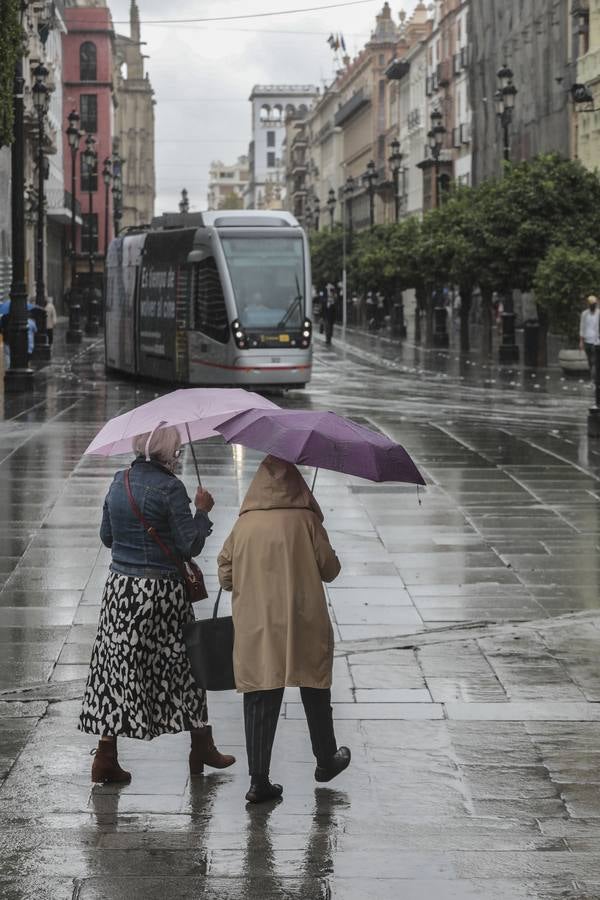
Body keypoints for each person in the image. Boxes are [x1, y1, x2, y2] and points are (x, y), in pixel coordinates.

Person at [79, 424, 236, 783]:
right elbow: (188, 546)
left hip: (120, 591)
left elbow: (107, 536)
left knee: (117, 670)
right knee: (184, 665)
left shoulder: (119, 480)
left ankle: (105, 754)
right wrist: (203, 512)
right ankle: (201, 744)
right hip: (161, 592)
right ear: (171, 454)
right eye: (178, 452)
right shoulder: (171, 488)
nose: (180, 457)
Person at [217, 455, 351, 805]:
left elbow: (225, 574)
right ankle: (325, 759)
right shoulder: (306, 520)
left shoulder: (244, 525)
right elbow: (330, 570)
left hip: (258, 624)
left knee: (260, 693)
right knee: (314, 684)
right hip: (303, 619)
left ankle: (258, 780)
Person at [579, 294, 600, 377]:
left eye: (593, 304)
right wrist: (581, 341)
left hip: (597, 341)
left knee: (595, 360)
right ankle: (593, 377)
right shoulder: (584, 314)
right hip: (587, 340)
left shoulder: (599, 313)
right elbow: (582, 327)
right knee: (590, 361)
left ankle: (595, 378)